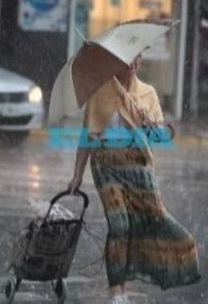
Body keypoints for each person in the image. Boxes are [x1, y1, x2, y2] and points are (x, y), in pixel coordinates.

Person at [68, 55, 201, 304]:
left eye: (136, 56)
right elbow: (86, 137)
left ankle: (172, 265)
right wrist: (77, 174)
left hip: (138, 168)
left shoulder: (147, 94)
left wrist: (153, 127)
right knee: (119, 226)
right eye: (126, 57)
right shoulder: (100, 92)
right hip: (106, 167)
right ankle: (116, 293)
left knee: (154, 222)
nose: (132, 61)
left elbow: (161, 137)